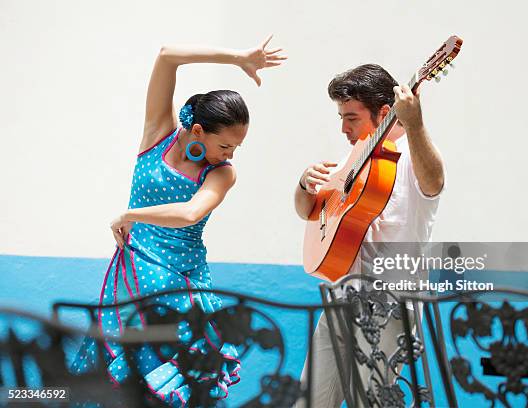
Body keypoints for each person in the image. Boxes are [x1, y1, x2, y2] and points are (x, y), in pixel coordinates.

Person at [71, 36, 286, 404]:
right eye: (226, 145)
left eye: (237, 147)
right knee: (118, 381)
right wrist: (236, 57)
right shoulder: (159, 134)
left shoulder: (221, 174)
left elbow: (189, 213)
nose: (230, 154)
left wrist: (129, 214)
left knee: (176, 385)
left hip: (184, 285)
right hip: (133, 279)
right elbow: (167, 56)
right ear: (199, 131)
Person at [294, 64, 445, 407]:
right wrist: (303, 184)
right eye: (341, 117)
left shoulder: (413, 158)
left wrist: (416, 124)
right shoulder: (352, 159)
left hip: (390, 308)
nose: (343, 128)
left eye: (352, 117)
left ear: (384, 113)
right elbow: (309, 211)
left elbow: (434, 182)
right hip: (340, 298)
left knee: (371, 402)